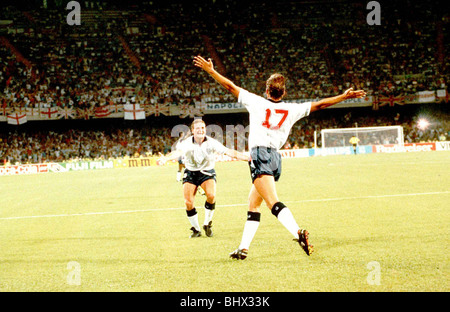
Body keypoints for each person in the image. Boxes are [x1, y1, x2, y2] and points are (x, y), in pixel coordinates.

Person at [193, 55, 366, 259]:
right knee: (253, 204)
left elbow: (230, 86)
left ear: (266, 90)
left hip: (260, 155)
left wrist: (211, 71)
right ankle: (243, 248)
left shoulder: (255, 101)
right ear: (283, 92)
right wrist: (343, 97)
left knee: (272, 203)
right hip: (275, 158)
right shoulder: (292, 109)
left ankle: (297, 233)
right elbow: (320, 105)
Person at [158, 118, 249, 238]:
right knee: (188, 202)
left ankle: (207, 223)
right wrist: (165, 158)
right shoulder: (186, 143)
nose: (200, 130)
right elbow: (177, 153)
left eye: (202, 128)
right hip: (190, 172)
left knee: (211, 195)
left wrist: (247, 157)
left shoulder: (212, 142)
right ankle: (196, 229)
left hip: (207, 172)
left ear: (205, 129)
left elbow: (228, 151)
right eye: (198, 128)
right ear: (192, 131)